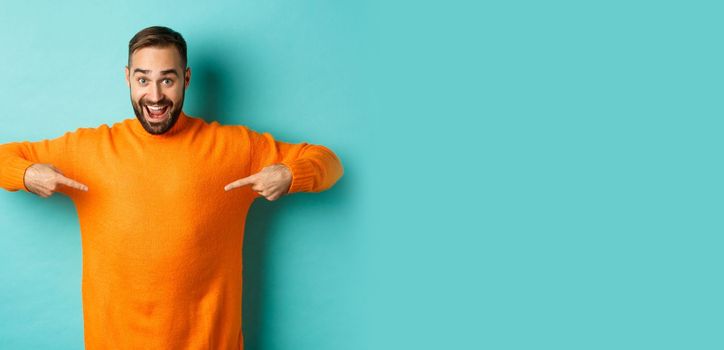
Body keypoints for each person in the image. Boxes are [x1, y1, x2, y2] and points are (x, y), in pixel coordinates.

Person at [0, 26, 343, 349]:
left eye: (168, 79)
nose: (155, 95)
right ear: (127, 79)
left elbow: (329, 162)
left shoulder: (235, 147)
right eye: (143, 79)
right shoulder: (90, 149)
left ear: (186, 79)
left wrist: (289, 173)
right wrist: (28, 174)